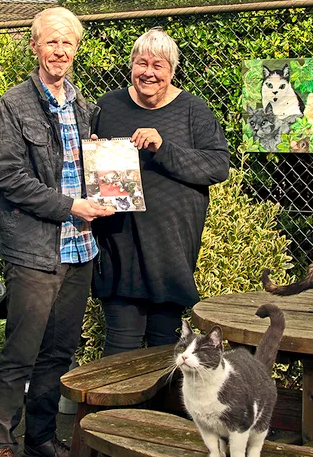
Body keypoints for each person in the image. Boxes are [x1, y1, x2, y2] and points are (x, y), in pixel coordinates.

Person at [0, 6, 114, 457]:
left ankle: (39, 439)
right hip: (36, 249)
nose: (59, 51)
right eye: (51, 42)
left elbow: (87, 169)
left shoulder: (83, 106)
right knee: (20, 351)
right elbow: (9, 176)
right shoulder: (14, 103)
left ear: (75, 50)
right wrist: (70, 206)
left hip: (80, 249)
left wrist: (102, 159)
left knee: (58, 353)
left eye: (68, 44)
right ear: (35, 47)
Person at [92, 28, 230, 356]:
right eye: (141, 63)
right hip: (119, 244)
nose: (148, 73)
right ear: (131, 66)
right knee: (120, 347)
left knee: (163, 348)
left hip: (170, 251)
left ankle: (153, 408)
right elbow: (86, 167)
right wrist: (92, 155)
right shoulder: (107, 107)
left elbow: (217, 165)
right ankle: (115, 409)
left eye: (158, 65)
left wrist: (163, 147)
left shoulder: (192, 111)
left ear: (172, 70)